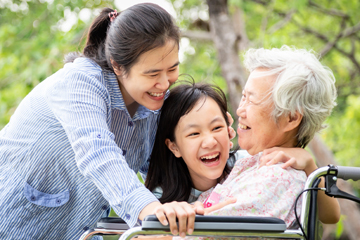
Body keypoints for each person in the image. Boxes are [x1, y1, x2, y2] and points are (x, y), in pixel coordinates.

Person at [0, 4, 196, 239]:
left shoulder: (155, 103)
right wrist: (151, 211)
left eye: (172, 69)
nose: (165, 84)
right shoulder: (79, 82)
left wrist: (210, 134)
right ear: (117, 65)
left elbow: (166, 167)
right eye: (152, 74)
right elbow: (97, 153)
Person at [146, 45, 340, 230]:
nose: (239, 110)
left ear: (291, 118)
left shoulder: (274, 179)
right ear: (174, 146)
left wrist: (311, 168)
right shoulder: (249, 166)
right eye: (243, 97)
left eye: (252, 100)